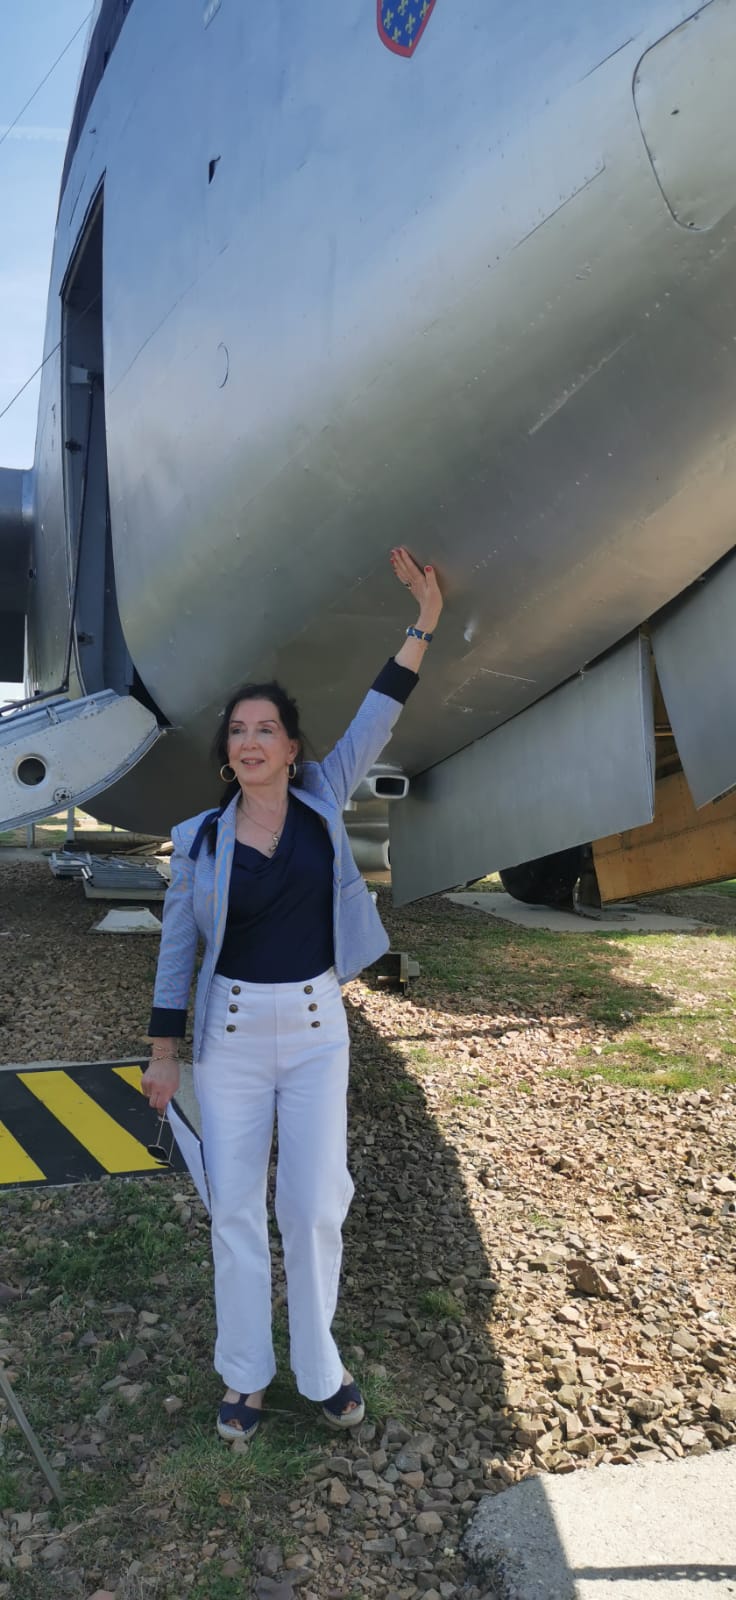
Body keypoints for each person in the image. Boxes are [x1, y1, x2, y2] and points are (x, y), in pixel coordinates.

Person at [142, 546, 443, 1441]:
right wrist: (164, 1054)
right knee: (234, 1209)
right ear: (227, 753)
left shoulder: (323, 800)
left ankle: (320, 1369)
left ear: (292, 747)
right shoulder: (200, 839)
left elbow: (379, 715)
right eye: (237, 731)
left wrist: (423, 623)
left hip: (316, 1032)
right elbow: (177, 953)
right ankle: (245, 1376)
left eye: (265, 729)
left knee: (313, 1206)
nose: (250, 742)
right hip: (229, 1039)